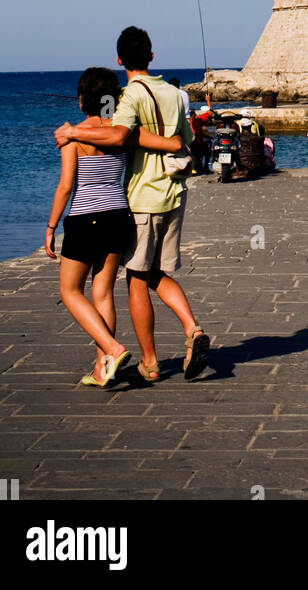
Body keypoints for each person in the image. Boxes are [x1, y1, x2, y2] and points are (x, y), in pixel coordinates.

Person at [56, 26, 211, 383]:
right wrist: (169, 144)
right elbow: (183, 140)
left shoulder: (129, 96)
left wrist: (73, 132)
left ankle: (150, 363)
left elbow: (117, 134)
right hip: (175, 193)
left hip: (144, 196)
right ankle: (191, 327)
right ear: (152, 56)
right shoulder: (174, 93)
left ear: (119, 59)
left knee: (137, 280)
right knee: (157, 273)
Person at [46, 67, 133, 387]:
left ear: (83, 99)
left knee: (70, 292)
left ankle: (112, 348)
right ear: (111, 97)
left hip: (85, 219)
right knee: (103, 293)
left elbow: (66, 187)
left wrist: (51, 226)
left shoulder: (74, 135)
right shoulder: (118, 133)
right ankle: (102, 367)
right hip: (118, 216)